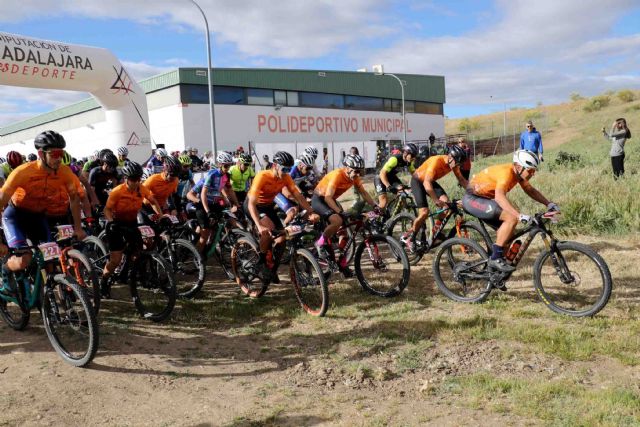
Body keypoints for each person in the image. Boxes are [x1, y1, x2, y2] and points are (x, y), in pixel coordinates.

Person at [0, 131, 86, 294]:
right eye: (55, 154)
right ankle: (5, 270)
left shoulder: (64, 172)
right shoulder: (22, 172)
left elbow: (74, 199)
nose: (59, 158)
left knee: (51, 260)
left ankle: (59, 302)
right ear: (41, 154)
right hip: (15, 216)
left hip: (38, 217)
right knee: (23, 261)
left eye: (62, 153)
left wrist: (78, 228)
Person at [462, 149, 558, 276]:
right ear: (518, 166)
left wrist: (548, 203)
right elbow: (499, 196)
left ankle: (494, 274)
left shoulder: (518, 174)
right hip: (472, 199)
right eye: (530, 170)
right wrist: (518, 215)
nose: (533, 174)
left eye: (534, 170)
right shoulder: (506, 173)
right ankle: (495, 258)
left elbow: (531, 190)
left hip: (484, 199)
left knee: (507, 235)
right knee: (512, 218)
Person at [100, 162, 163, 297]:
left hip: (131, 223)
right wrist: (111, 222)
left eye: (138, 179)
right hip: (116, 224)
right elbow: (107, 209)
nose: (136, 182)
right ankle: (104, 280)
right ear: (126, 178)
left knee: (138, 253)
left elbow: (152, 201)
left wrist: (161, 216)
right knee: (115, 260)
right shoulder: (118, 191)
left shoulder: (141, 188)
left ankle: (133, 276)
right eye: (133, 179)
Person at [246, 151, 313, 278]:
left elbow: (298, 196)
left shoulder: (286, 177)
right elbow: (251, 204)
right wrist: (259, 226)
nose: (287, 172)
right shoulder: (262, 176)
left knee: (282, 238)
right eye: (284, 169)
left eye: (289, 169)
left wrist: (311, 212)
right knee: (268, 229)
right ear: (275, 166)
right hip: (254, 205)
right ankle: (260, 261)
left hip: (268, 206)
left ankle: (272, 267)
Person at [312, 154, 377, 276]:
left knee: (345, 234)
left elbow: (363, 192)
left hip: (331, 200)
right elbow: (327, 197)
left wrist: (374, 205)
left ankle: (342, 265)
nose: (358, 174)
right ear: (347, 168)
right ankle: (319, 243)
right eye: (356, 171)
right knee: (337, 221)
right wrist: (340, 212)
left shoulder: (354, 178)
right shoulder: (337, 175)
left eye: (360, 171)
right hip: (320, 199)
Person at [400, 145, 468, 252]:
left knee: (447, 205)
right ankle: (410, 237)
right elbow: (426, 183)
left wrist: (473, 192)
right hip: (418, 181)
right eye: (457, 162)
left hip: (429, 181)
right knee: (424, 212)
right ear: (450, 157)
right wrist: (436, 200)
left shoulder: (453, 163)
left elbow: (462, 180)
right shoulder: (436, 161)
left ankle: (436, 233)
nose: (458, 165)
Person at [186, 151, 240, 254]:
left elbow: (230, 190)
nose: (228, 168)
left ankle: (237, 240)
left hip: (214, 203)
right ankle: (198, 258)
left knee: (230, 218)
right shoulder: (212, 174)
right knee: (205, 233)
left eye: (230, 166)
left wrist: (236, 204)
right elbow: (203, 194)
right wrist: (208, 211)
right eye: (226, 166)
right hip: (203, 203)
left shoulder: (226, 176)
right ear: (220, 164)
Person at [375, 143, 418, 211]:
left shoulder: (408, 162)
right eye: (412, 155)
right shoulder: (394, 159)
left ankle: (396, 215)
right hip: (380, 177)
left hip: (391, 177)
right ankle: (371, 217)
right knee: (383, 202)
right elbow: (382, 173)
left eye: (415, 156)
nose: (414, 158)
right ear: (405, 153)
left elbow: (415, 174)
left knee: (402, 191)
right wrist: (388, 186)